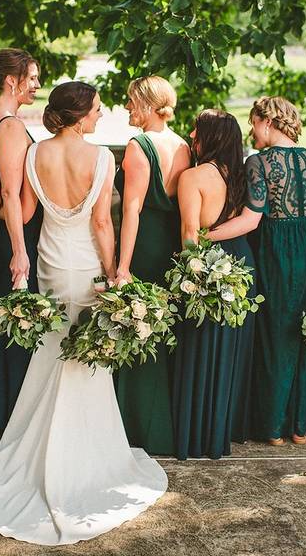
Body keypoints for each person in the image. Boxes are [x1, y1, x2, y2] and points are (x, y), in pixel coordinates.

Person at [0, 82, 167, 545]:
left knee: (54, 349)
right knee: (84, 355)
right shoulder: (102, 158)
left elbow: (22, 210)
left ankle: (44, 448)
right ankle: (80, 455)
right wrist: (115, 272)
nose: (101, 114)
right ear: (79, 114)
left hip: (49, 262)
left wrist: (20, 255)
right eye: (96, 109)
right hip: (85, 264)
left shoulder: (35, 154)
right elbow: (103, 221)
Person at [207, 96, 306, 446]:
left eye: (254, 123)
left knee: (276, 337)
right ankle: (300, 427)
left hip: (278, 255)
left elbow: (250, 220)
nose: (251, 130)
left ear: (267, 123)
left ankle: (273, 428)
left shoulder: (259, 163)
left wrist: (202, 236)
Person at [113, 75, 191, 456]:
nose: (127, 108)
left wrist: (123, 266)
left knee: (136, 329)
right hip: (173, 248)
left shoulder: (137, 146)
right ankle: (161, 424)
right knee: (162, 332)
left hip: (143, 247)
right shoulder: (184, 146)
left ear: (146, 105)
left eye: (131, 101)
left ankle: (133, 423)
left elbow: (132, 209)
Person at [172, 110, 256, 459]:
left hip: (206, 265)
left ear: (212, 137)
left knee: (199, 348)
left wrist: (188, 274)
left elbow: (191, 233)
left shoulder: (193, 177)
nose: (192, 134)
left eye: (198, 129)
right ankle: (221, 431)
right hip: (241, 264)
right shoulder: (241, 175)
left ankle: (195, 435)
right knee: (228, 352)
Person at [0, 48, 43, 434]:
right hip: (14, 235)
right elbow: (9, 194)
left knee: (6, 322)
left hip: (3, 233)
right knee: (17, 320)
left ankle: (2, 413)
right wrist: (20, 250)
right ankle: (13, 419)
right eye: (31, 78)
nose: (36, 85)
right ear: (11, 81)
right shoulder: (11, 126)